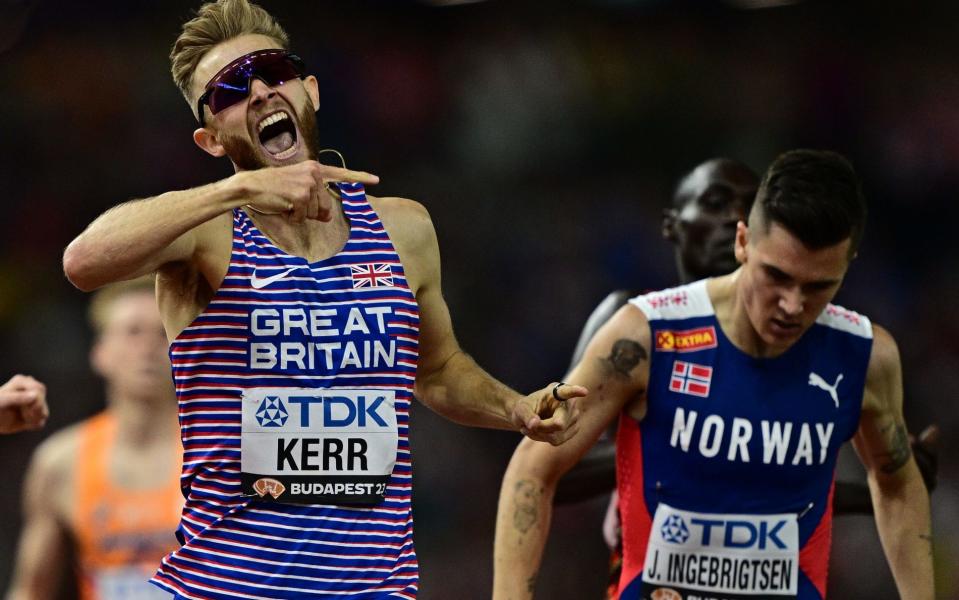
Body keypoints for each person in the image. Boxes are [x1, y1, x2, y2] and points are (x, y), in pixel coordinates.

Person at [61, 1, 583, 597]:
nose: (258, 91)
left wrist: (514, 409)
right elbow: (82, 261)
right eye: (231, 88)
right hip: (227, 586)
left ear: (309, 90)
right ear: (209, 140)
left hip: (374, 586)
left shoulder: (404, 228)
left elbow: (437, 370)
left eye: (273, 69)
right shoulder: (207, 233)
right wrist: (241, 188)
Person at [494, 150, 934, 600]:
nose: (792, 305)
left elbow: (898, 483)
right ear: (743, 243)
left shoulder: (864, 355)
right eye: (776, 276)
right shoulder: (646, 334)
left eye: (819, 286)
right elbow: (533, 467)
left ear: (849, 263)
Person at [7, 277, 182, 600]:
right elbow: (30, 590)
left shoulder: (221, 451)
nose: (148, 346)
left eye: (163, 332)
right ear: (100, 352)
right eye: (132, 332)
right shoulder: (61, 462)